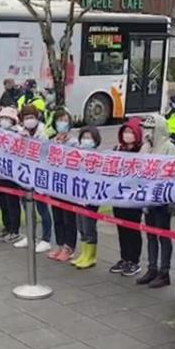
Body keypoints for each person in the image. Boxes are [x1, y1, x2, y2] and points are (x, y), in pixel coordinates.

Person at [135, 114, 175, 287]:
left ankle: (164, 271)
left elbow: (174, 172)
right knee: (151, 235)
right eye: (145, 128)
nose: (146, 131)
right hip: (148, 198)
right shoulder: (147, 147)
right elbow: (138, 167)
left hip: (162, 199)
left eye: (150, 128)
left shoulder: (169, 148)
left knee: (163, 235)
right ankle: (152, 268)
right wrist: (145, 146)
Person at [15, 105, 53, 254]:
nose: (29, 121)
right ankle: (30, 236)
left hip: (39, 175)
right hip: (24, 174)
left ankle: (46, 239)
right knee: (27, 207)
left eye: (32, 117)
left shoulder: (43, 133)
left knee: (42, 208)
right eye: (26, 117)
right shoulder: (21, 132)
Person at [109, 118, 144, 277]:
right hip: (118, 196)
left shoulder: (142, 152)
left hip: (134, 198)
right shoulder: (117, 149)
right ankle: (124, 258)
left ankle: (134, 261)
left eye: (131, 132)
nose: (127, 135)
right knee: (121, 228)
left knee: (132, 229)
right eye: (125, 132)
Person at [47, 109, 78, 261]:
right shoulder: (52, 140)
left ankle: (69, 247)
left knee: (68, 218)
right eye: (60, 120)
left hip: (68, 185)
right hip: (55, 184)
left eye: (65, 120)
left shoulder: (73, 142)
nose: (62, 124)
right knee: (57, 216)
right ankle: (59, 244)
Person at [69, 126, 101, 269]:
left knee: (89, 226)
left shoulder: (98, 157)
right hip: (78, 194)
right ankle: (83, 253)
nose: (86, 140)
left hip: (91, 197)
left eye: (89, 138)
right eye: (84, 137)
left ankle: (91, 256)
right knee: (80, 225)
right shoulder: (78, 154)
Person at [0, 107, 22, 243]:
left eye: (7, 119)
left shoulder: (18, 134)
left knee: (12, 203)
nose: (4, 121)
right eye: (2, 119)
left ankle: (14, 230)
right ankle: (7, 227)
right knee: (3, 202)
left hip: (11, 174)